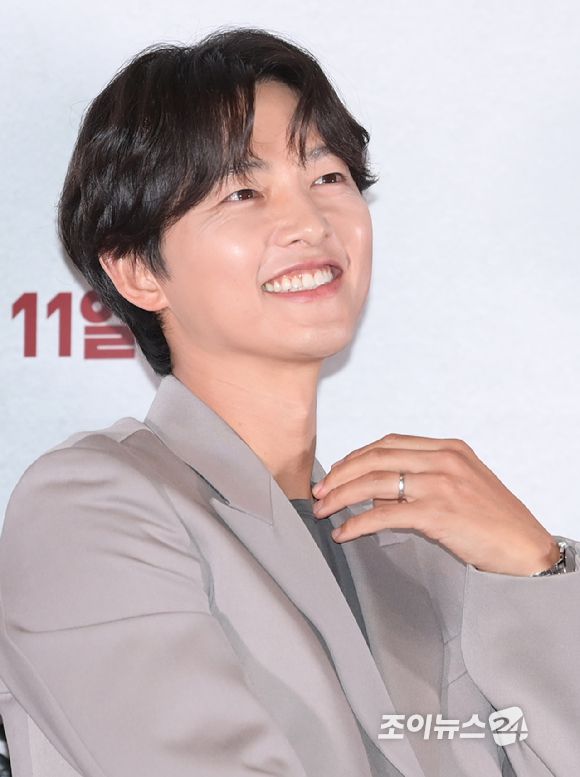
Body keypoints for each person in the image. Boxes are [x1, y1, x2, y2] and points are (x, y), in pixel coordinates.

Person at [0, 26, 578, 777]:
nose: (310, 223)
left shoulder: (424, 548)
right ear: (139, 271)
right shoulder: (93, 504)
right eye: (243, 192)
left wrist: (535, 568)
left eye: (328, 176)